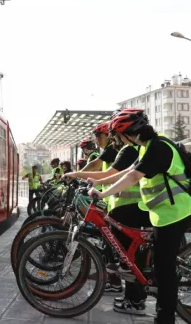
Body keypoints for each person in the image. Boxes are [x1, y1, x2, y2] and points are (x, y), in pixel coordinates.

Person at [87, 109, 191, 324]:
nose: (118, 140)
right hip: (161, 212)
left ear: (129, 133)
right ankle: (138, 280)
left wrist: (103, 193)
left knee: (164, 268)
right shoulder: (146, 147)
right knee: (125, 223)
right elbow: (128, 170)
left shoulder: (158, 147)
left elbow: (133, 176)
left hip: (176, 212)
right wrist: (97, 181)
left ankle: (164, 319)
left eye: (119, 135)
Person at [66, 119, 150, 313]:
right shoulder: (134, 151)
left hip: (132, 208)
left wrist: (78, 176)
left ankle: (134, 298)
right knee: (124, 253)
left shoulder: (128, 151)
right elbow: (116, 175)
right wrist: (92, 183)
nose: (111, 139)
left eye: (113, 135)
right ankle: (131, 295)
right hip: (124, 207)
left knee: (128, 255)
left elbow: (117, 174)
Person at [64, 121, 128, 296]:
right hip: (114, 201)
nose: (97, 140)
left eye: (99, 136)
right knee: (110, 242)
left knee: (114, 244)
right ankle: (114, 280)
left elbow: (97, 168)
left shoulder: (113, 150)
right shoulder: (115, 150)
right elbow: (101, 172)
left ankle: (120, 283)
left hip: (126, 204)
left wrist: (76, 175)